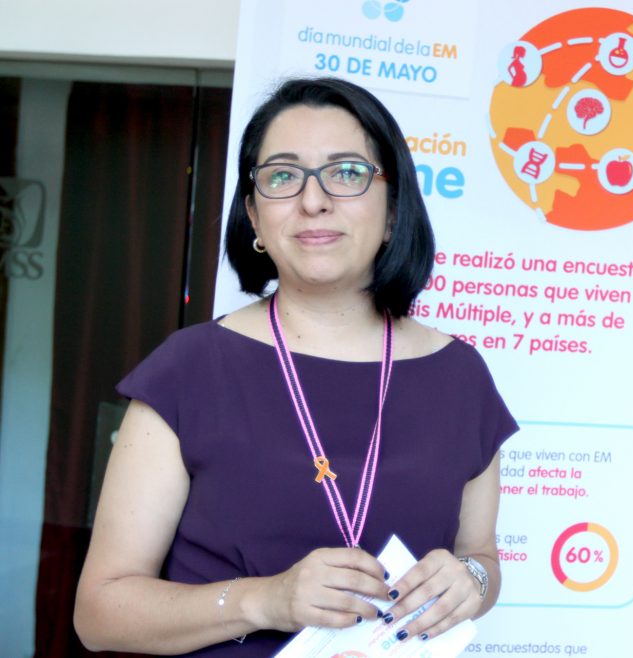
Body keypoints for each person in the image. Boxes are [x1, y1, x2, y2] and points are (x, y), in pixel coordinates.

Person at [74, 76, 518, 656]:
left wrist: (473, 583)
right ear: (255, 217)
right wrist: (267, 600)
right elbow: (100, 612)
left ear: (393, 211)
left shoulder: (459, 377)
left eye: (347, 172)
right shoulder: (189, 369)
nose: (313, 200)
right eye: (283, 176)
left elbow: (480, 558)